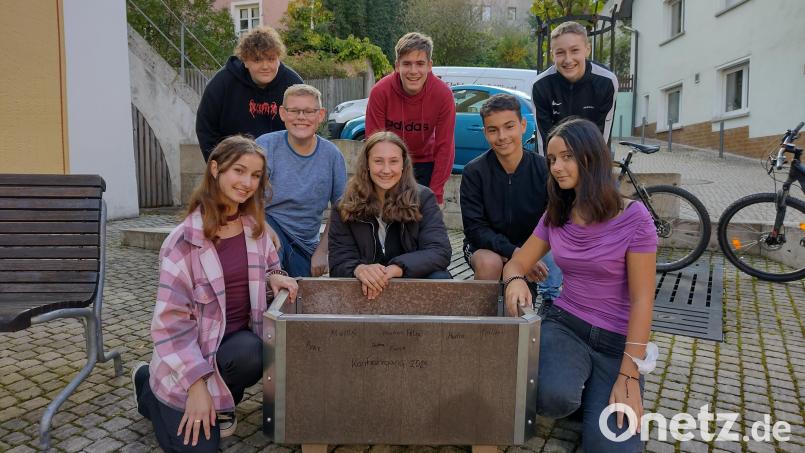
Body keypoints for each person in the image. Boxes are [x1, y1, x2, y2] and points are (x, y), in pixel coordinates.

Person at [131, 136, 298, 452]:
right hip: (189, 359)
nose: (247, 182)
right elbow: (170, 325)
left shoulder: (255, 228)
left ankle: (223, 398)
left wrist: (275, 276)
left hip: (233, 349)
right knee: (201, 449)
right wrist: (195, 387)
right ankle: (151, 391)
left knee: (255, 352)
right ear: (215, 168)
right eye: (239, 170)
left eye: (256, 175)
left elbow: (270, 265)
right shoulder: (181, 243)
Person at [502, 118, 657, 452]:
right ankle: (581, 393)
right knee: (550, 396)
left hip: (618, 343)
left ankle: (597, 393)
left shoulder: (635, 218)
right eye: (552, 159)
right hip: (566, 326)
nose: (557, 167)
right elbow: (517, 262)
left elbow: (644, 301)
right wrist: (514, 279)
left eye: (567, 156)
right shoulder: (557, 212)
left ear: (591, 157)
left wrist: (629, 375)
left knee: (613, 448)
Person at [460, 94, 562, 306]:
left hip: (530, 247)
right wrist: (515, 254)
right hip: (486, 248)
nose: (502, 136)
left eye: (509, 127)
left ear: (523, 126)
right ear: (485, 132)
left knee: (557, 251)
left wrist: (528, 255)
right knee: (490, 263)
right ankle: (481, 322)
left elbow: (553, 220)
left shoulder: (544, 169)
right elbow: (475, 229)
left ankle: (553, 303)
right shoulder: (474, 172)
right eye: (493, 130)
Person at [329, 131, 452, 300]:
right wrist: (360, 269)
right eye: (378, 161)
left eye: (393, 161)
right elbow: (339, 261)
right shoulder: (344, 205)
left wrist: (396, 268)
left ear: (403, 164)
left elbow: (439, 251)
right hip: (366, 287)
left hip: (409, 281)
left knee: (440, 278)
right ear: (367, 165)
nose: (386, 170)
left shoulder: (423, 199)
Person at [256, 84, 347, 277]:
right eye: (294, 110)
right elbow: (244, 194)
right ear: (282, 113)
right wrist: (262, 225)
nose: (301, 117)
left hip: (304, 243)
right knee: (269, 264)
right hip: (269, 225)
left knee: (299, 290)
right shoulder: (265, 146)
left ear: (320, 115)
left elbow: (341, 209)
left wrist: (323, 251)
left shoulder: (332, 156)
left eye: (308, 111)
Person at [364, 32, 456, 206]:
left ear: (429, 65)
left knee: (421, 225)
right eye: (407, 64)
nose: (413, 71)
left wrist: (436, 195)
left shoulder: (443, 94)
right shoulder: (380, 92)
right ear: (397, 66)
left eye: (420, 64)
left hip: (425, 164)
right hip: (389, 162)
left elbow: (445, 147)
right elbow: (373, 143)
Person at [196, 26, 303, 161]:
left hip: (282, 167)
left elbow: (306, 124)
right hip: (235, 166)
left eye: (271, 59)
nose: (265, 66)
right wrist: (220, 166)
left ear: (278, 59)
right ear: (245, 61)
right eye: (257, 60)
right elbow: (206, 127)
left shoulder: (293, 84)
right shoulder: (223, 83)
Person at [531, 21, 618, 155]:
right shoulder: (540, 85)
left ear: (587, 50)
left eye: (575, 50)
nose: (568, 59)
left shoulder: (606, 82)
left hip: (589, 158)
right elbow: (544, 140)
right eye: (560, 52)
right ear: (552, 54)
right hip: (556, 159)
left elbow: (601, 136)